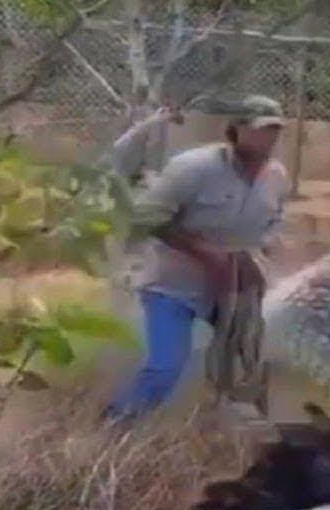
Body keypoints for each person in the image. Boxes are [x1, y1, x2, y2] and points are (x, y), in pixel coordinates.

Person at [105, 93, 290, 422]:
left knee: (259, 360)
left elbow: (271, 229)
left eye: (274, 129)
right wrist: (204, 253)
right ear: (235, 129)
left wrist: (261, 264)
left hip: (232, 291)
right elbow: (146, 219)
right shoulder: (194, 168)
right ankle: (115, 424)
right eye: (259, 129)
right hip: (173, 286)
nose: (267, 137)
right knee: (165, 368)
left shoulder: (276, 178)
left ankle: (238, 429)